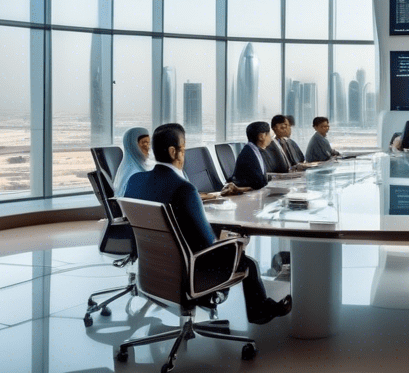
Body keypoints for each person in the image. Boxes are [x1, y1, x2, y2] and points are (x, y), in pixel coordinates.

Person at [124, 123, 291, 324]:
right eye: (183, 149)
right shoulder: (184, 189)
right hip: (188, 272)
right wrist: (233, 240)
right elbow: (208, 243)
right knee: (247, 261)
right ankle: (259, 311)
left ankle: (213, 301)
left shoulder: (135, 180)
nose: (184, 154)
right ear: (173, 152)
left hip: (152, 271)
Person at [233, 121, 274, 189]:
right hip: (248, 195)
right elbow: (258, 182)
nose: (270, 138)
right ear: (261, 136)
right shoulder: (249, 154)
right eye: (269, 134)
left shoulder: (253, 150)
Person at [112, 127, 151, 198]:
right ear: (133, 145)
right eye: (144, 143)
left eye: (148, 143)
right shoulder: (136, 175)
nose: (148, 148)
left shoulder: (128, 168)